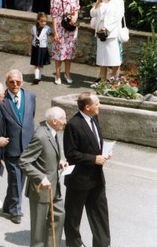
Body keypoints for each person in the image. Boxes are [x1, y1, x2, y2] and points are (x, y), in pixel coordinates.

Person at [63, 92, 112, 247]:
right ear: (87, 107)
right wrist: (93, 159)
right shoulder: (73, 125)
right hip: (79, 180)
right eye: (97, 103)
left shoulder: (94, 118)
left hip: (96, 178)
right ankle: (74, 244)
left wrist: (104, 152)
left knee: (101, 214)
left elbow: (94, 142)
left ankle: (103, 244)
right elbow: (71, 154)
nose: (100, 106)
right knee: (73, 216)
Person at [19, 106, 69, 247]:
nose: (65, 122)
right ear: (54, 121)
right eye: (63, 119)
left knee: (59, 216)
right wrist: (41, 177)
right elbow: (24, 161)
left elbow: (46, 154)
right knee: (38, 230)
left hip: (54, 187)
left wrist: (59, 162)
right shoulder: (40, 136)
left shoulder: (52, 132)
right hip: (41, 190)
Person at [0, 69, 36, 224]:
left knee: (20, 178)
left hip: (27, 146)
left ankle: (8, 204)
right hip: (11, 146)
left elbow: (30, 118)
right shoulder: (1, 99)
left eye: (18, 82)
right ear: (6, 83)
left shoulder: (30, 97)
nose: (15, 84)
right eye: (11, 82)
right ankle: (16, 210)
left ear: (22, 82)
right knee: (15, 178)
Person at [90, 0, 124, 81]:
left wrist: (107, 28)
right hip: (100, 33)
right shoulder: (101, 0)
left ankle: (114, 79)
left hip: (112, 33)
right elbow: (93, 14)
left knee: (114, 58)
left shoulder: (119, 1)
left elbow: (118, 17)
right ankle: (103, 80)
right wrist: (97, 5)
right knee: (102, 58)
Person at [50, 0, 79, 85]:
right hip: (60, 27)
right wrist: (55, 32)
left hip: (71, 27)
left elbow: (76, 9)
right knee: (59, 53)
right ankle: (57, 75)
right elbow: (53, 16)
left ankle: (67, 74)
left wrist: (74, 17)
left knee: (69, 52)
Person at [30, 12, 53, 84]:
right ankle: (36, 77)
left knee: (41, 63)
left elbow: (51, 35)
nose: (43, 23)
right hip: (35, 47)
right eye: (42, 21)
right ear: (38, 20)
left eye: (45, 21)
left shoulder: (47, 29)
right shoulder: (33, 28)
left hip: (43, 48)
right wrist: (30, 47)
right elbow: (32, 37)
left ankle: (39, 76)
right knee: (36, 63)